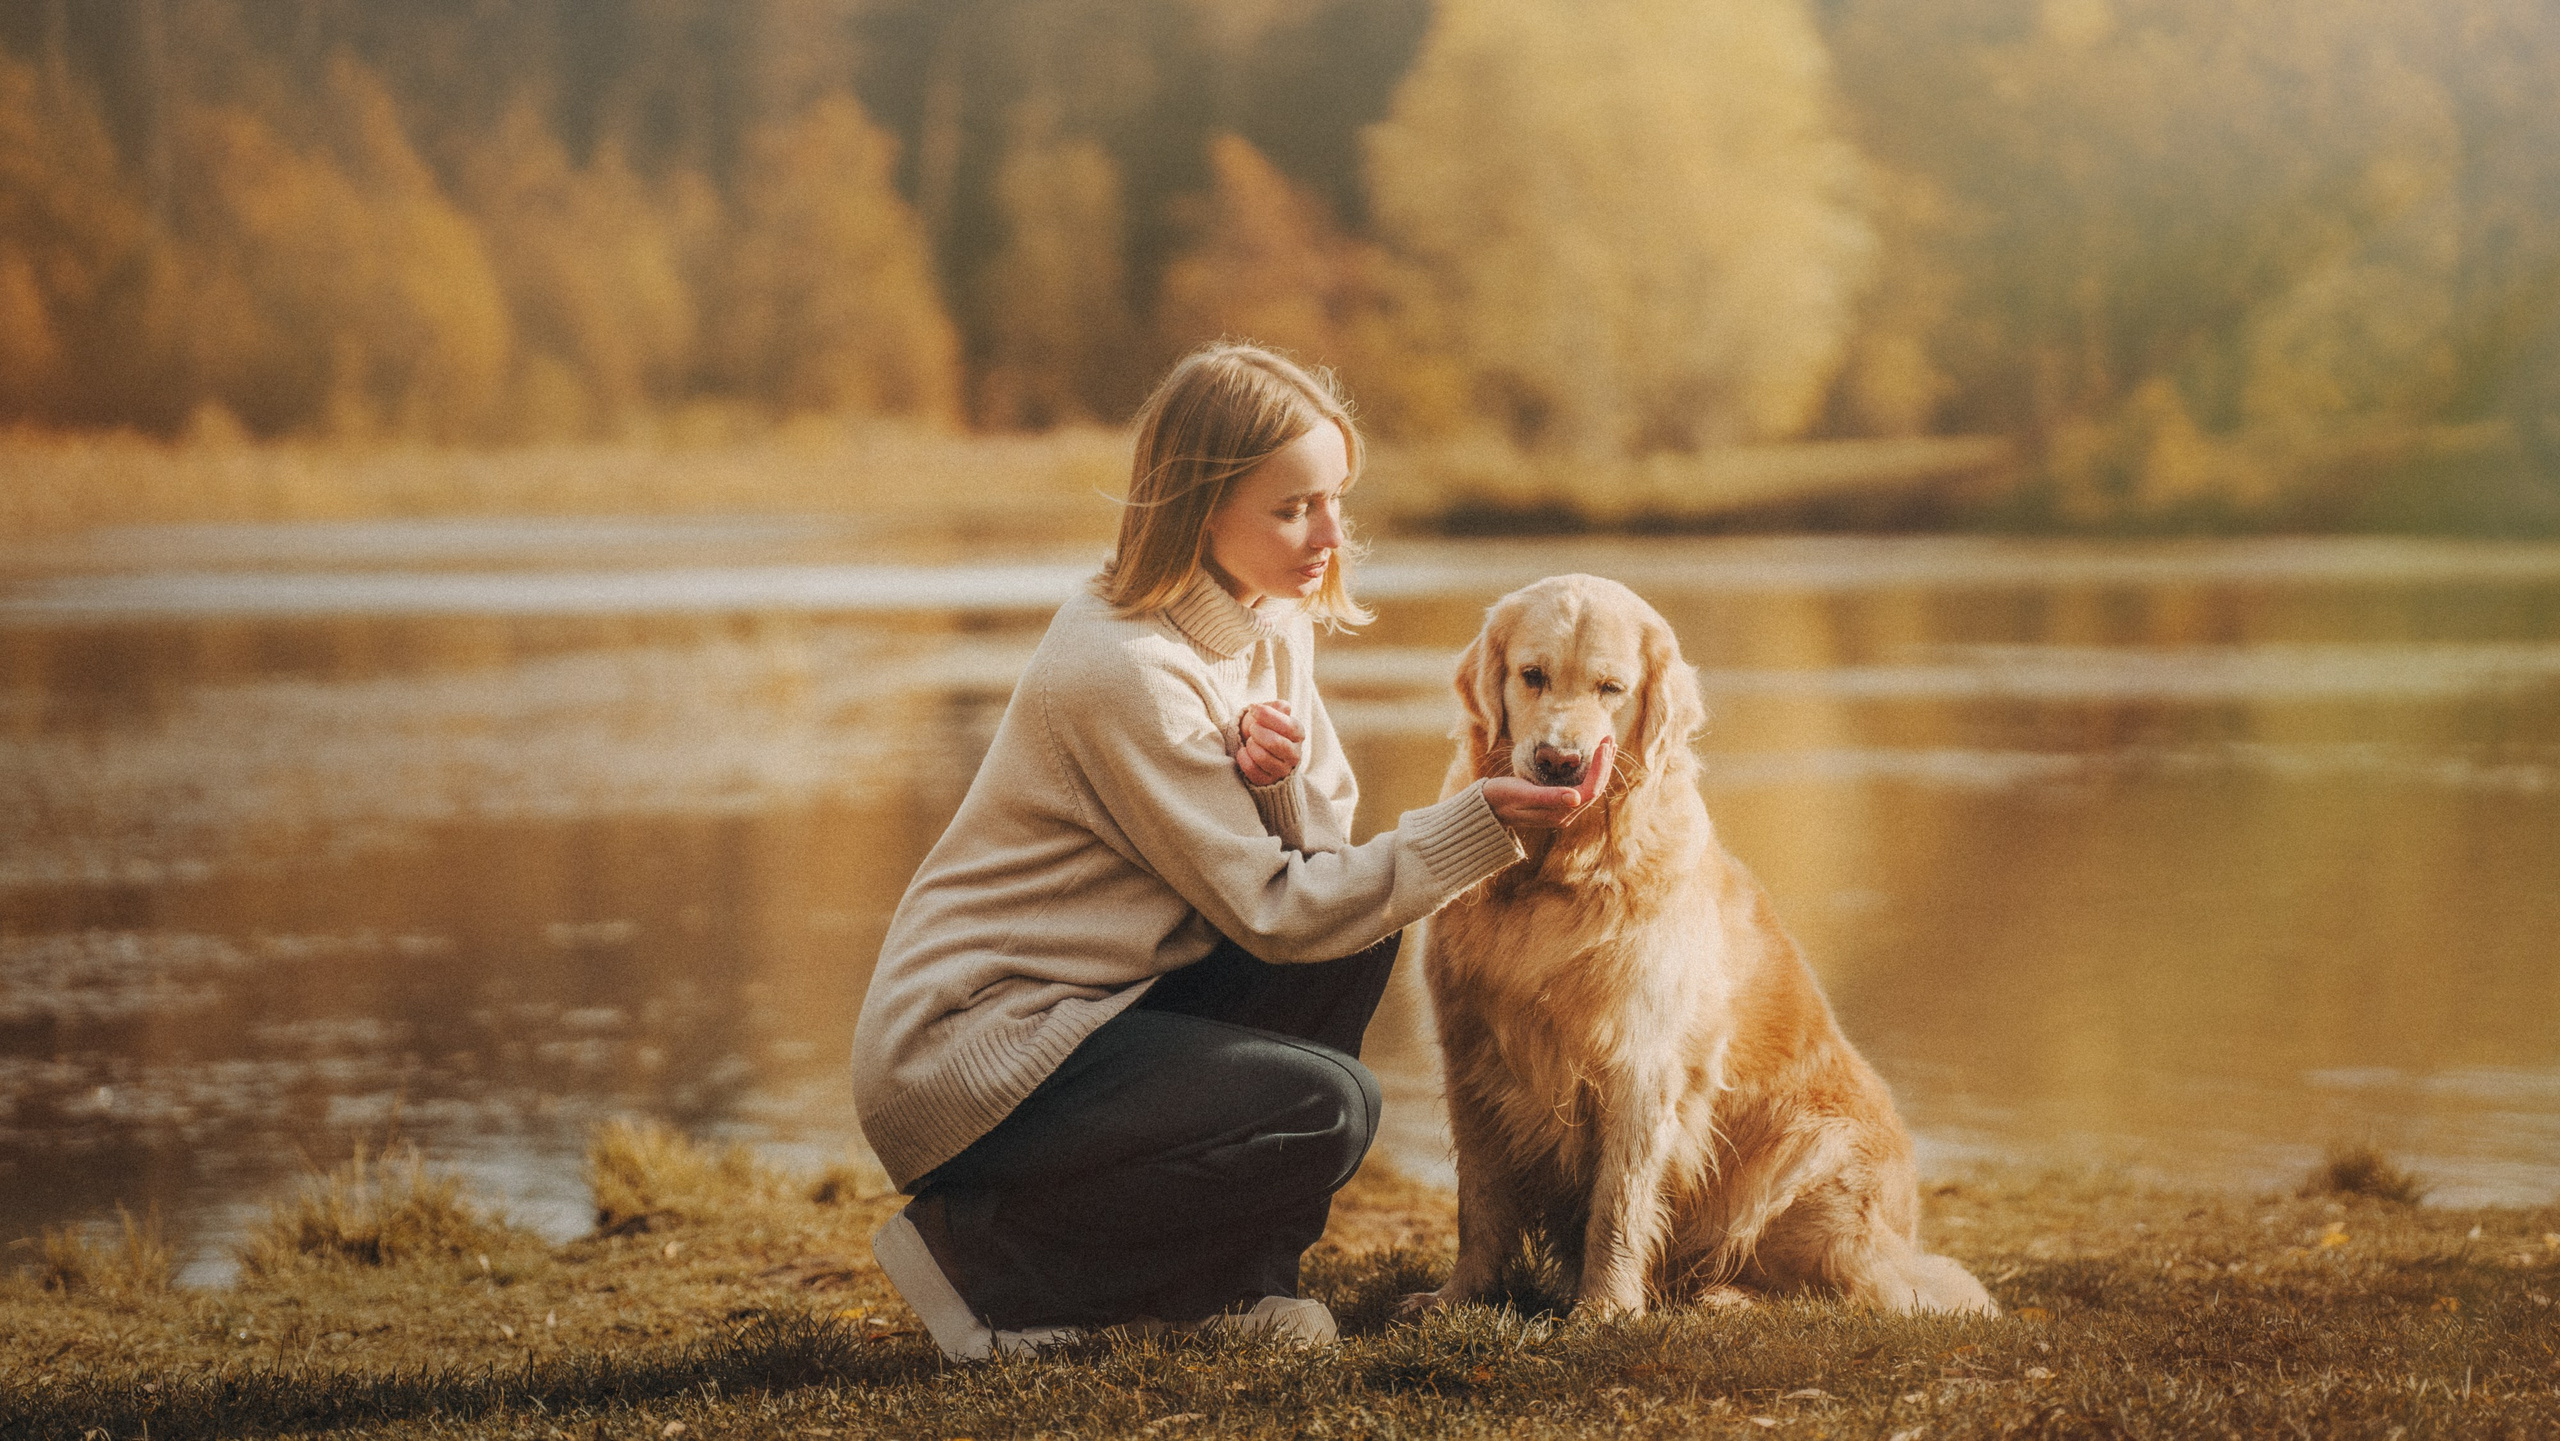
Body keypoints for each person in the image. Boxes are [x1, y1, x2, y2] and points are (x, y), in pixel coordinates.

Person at [851, 342, 1610, 1359]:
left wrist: (1278, 783)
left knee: (1365, 929)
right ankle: (985, 1264)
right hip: (979, 1046)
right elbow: (1276, 911)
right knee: (1330, 1106)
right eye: (1293, 509)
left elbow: (1330, 873)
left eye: (1334, 500)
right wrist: (1485, 820)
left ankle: (1236, 1287)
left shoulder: (1271, 620)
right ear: (1200, 509)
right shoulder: (1123, 666)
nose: (1330, 535)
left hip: (1106, 1000)